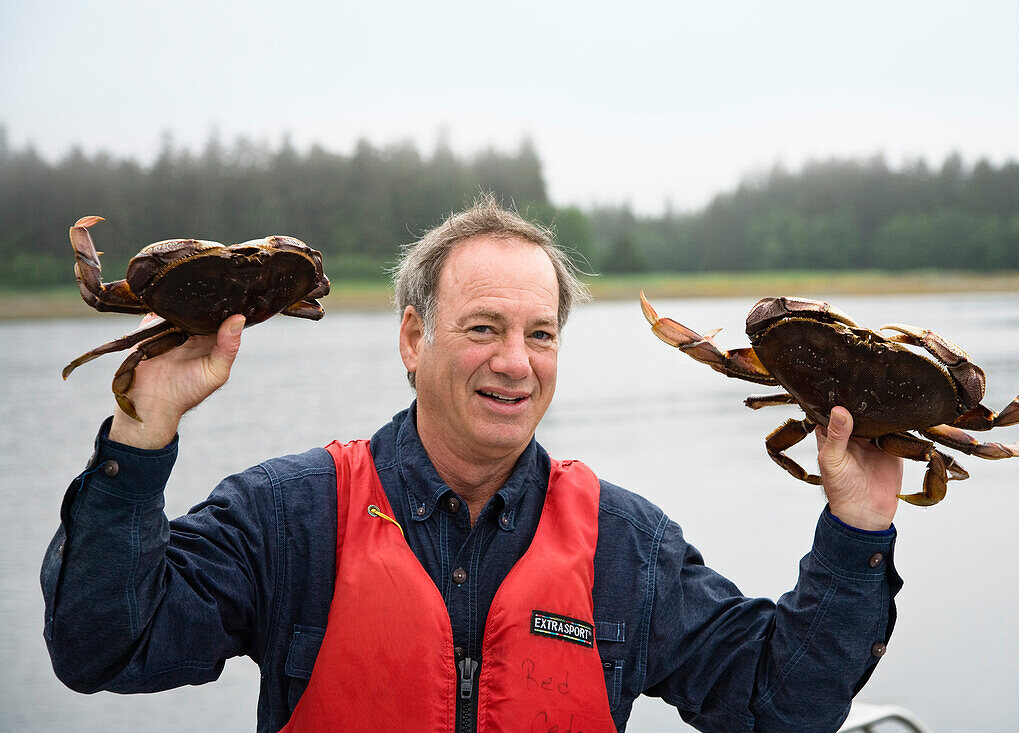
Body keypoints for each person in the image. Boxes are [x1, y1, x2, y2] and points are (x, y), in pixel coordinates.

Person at [42, 198, 903, 732]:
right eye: (483, 328)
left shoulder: (624, 545)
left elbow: (778, 705)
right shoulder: (290, 515)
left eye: (540, 334)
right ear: (414, 340)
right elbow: (104, 646)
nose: (515, 362)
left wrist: (857, 526)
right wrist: (140, 429)